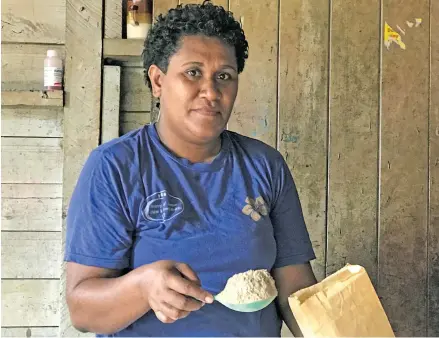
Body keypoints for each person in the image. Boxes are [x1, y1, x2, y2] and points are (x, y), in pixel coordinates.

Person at [64, 1, 317, 337]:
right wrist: (142, 287)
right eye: (193, 72)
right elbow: (83, 310)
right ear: (157, 80)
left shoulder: (264, 166)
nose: (211, 92)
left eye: (224, 76)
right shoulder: (115, 167)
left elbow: (295, 290)